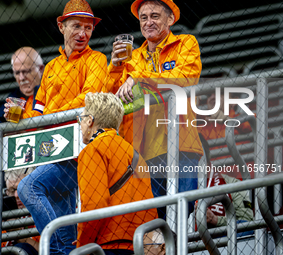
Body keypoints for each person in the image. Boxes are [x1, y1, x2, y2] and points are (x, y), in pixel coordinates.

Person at [17, 0, 107, 254]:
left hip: (79, 152)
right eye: (76, 25)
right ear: (61, 26)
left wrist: (51, 116)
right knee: (67, 234)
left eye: (88, 27)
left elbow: (90, 98)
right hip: (52, 150)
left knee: (29, 187)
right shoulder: (52, 68)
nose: (83, 33)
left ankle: (56, 247)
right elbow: (38, 108)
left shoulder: (98, 59)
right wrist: (18, 116)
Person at [106, 0, 203, 218]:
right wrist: (115, 67)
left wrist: (140, 80)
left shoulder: (186, 43)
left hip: (181, 144)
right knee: (156, 219)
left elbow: (186, 77)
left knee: (184, 211)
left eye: (155, 16)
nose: (148, 22)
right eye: (144, 18)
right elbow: (110, 99)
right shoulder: (131, 58)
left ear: (170, 19)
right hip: (143, 152)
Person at [75, 92, 158, 254]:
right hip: (143, 242)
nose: (80, 124)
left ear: (90, 120)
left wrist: (82, 245)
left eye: (82, 119)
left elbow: (94, 205)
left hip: (110, 242)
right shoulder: (133, 153)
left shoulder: (93, 150)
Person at [0, 46, 44, 157]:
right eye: (17, 73)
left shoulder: (52, 93)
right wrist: (8, 127)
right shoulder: (13, 101)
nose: (21, 78)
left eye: (26, 71)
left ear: (40, 69)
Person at [197, 134, 254, 237]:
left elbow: (247, 222)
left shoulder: (233, 184)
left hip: (219, 240)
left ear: (205, 157)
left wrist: (216, 220)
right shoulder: (170, 189)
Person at [2, 167, 39, 255]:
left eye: (22, 188)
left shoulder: (46, 211)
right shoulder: (5, 219)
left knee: (22, 248)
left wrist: (18, 235)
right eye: (12, 190)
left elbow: (51, 251)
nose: (16, 195)